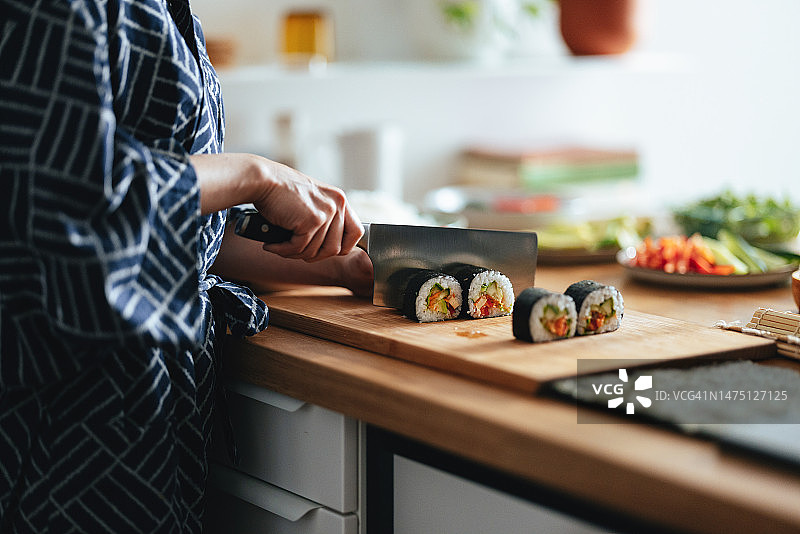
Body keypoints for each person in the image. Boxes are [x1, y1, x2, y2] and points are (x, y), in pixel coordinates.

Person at [0, 0, 373, 532]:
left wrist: (338, 267)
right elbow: (72, 196)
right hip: (62, 415)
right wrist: (254, 176)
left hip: (149, 411)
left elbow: (175, 230)